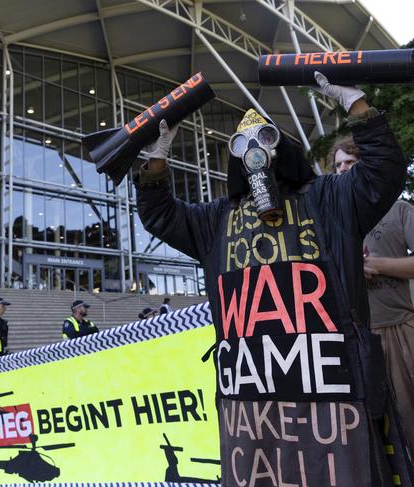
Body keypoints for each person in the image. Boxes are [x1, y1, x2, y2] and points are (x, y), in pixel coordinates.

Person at [136, 71, 409, 485]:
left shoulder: (330, 198)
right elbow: (160, 214)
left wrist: (357, 106)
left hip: (332, 404)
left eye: (264, 140)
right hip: (253, 410)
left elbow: (384, 172)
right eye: (242, 146)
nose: (253, 153)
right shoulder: (216, 220)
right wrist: (156, 159)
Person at [331, 135, 414, 449]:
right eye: (337, 165)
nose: (342, 170)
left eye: (349, 163)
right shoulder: (332, 218)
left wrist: (377, 264)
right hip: (352, 336)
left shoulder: (399, 209)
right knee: (366, 430)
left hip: (399, 330)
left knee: (408, 421)